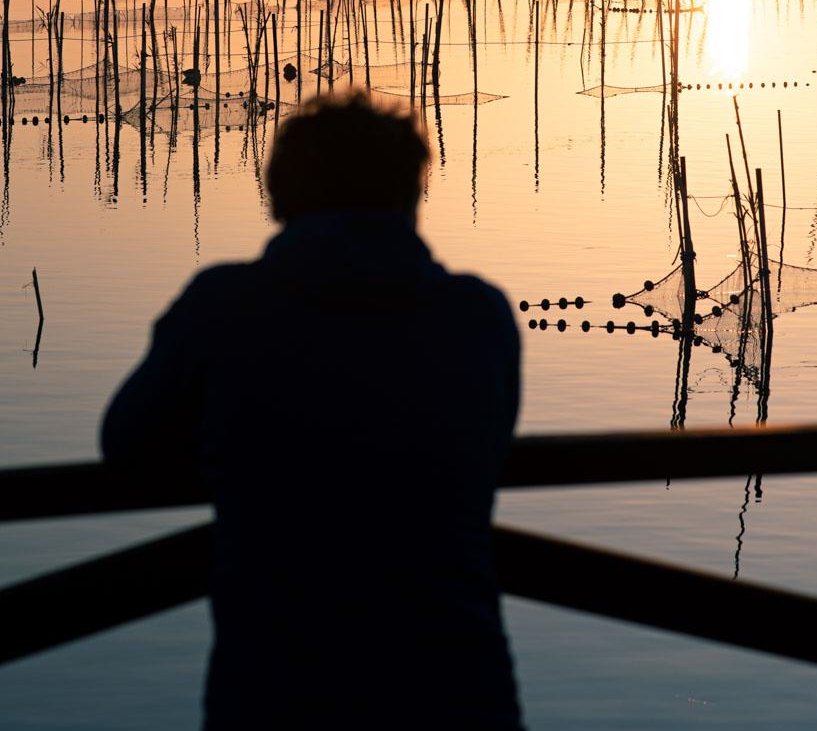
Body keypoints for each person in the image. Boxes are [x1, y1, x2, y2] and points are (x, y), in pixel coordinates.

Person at [101, 91, 525, 730]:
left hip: (274, 688)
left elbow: (127, 445)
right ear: (410, 192)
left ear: (280, 194)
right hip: (456, 685)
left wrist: (236, 449)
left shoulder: (224, 308)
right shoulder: (478, 316)